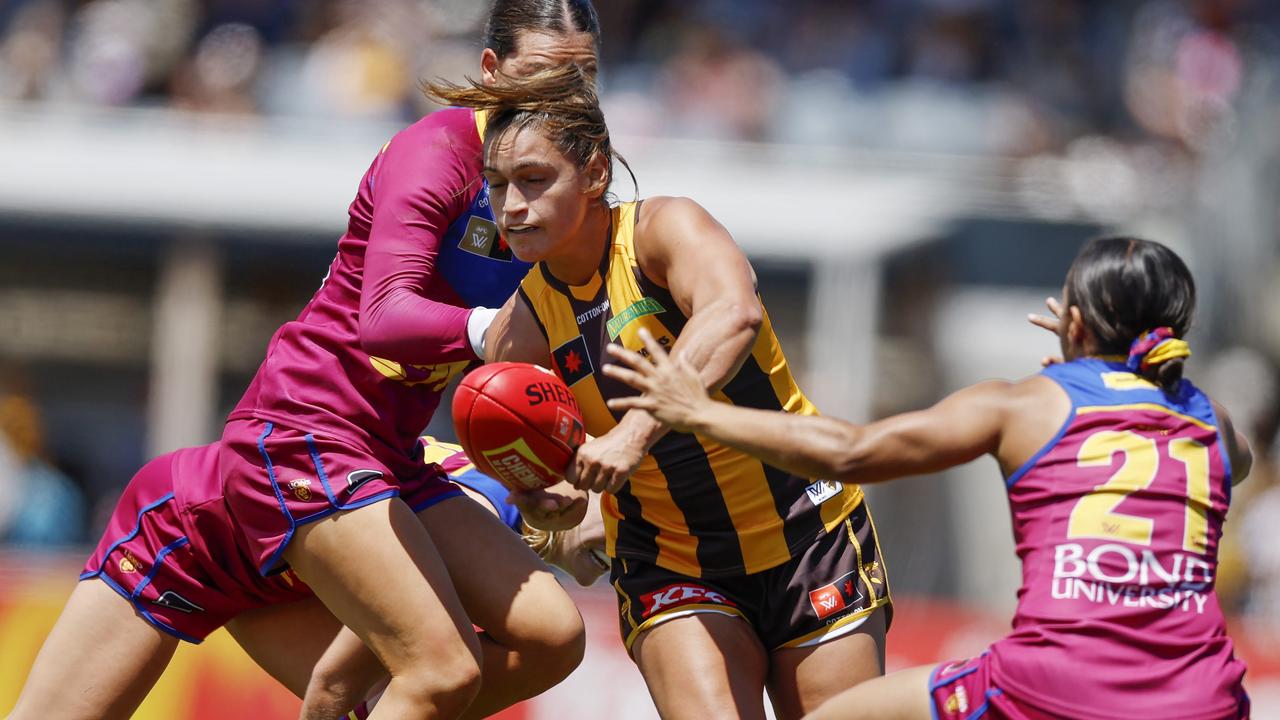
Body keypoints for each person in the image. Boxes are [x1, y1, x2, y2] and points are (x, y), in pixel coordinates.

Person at [7, 3, 602, 720]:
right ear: (491, 71)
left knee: (551, 637)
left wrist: (565, 469)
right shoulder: (437, 151)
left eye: (584, 77)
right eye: (543, 76)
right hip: (287, 451)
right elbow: (385, 317)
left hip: (366, 469)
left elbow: (576, 364)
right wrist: (496, 340)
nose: (565, 99)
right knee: (440, 670)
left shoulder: (565, 196)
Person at [605, 236, 1252, 720]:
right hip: (1206, 695)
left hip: (1053, 680)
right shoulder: (1211, 422)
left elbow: (849, 452)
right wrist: (1107, 362)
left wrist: (701, 412)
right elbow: (1219, 452)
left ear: (1075, 324)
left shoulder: (1027, 402)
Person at [431, 66, 893, 720]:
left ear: (594, 174)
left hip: (807, 532)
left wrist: (631, 433)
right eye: (499, 186)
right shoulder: (523, 324)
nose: (511, 207)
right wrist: (548, 503)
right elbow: (543, 466)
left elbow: (734, 315)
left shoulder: (662, 231)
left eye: (534, 181)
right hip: (672, 562)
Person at [425, 436, 609, 587]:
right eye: (623, 518)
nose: (625, 548)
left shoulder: (506, 514)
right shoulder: (495, 504)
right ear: (582, 479)